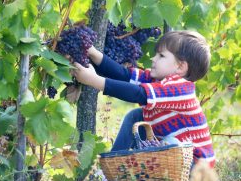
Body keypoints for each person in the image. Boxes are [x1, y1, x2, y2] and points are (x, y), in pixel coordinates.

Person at [72, 30, 215, 167]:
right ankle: (112, 167)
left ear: (180, 67)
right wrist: (93, 53)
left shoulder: (182, 89)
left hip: (195, 167)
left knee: (171, 143)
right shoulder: (157, 81)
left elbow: (137, 94)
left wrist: (93, 80)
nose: (154, 58)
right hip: (172, 158)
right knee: (137, 116)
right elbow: (124, 76)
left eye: (161, 56)